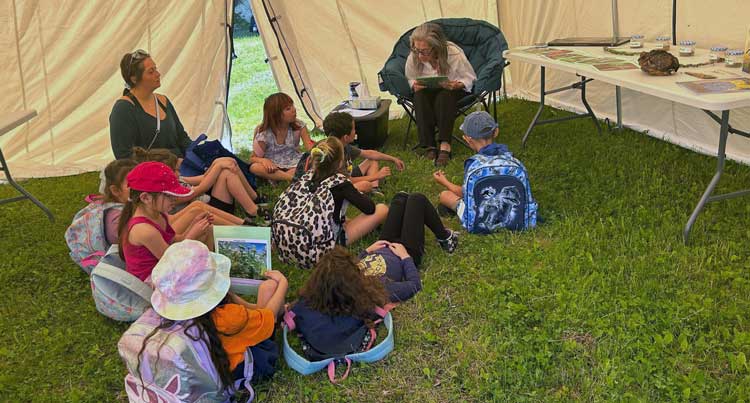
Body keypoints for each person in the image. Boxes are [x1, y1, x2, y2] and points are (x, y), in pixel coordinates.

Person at [141, 240, 287, 389]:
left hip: (201, 374)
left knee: (265, 291)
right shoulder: (229, 317)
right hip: (236, 371)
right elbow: (269, 315)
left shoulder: (166, 319)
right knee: (269, 290)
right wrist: (283, 283)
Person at [434, 111, 531, 231]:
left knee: (444, 195)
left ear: (468, 139)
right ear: (496, 132)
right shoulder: (513, 160)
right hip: (516, 219)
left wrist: (445, 182)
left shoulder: (473, 163)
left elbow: (464, 193)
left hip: (479, 219)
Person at [289, 246, 389, 359]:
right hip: (347, 345)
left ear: (316, 282)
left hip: (317, 348)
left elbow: (290, 313)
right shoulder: (361, 307)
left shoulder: (304, 307)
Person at [118, 161, 212, 282]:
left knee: (207, 230)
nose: (175, 199)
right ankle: (213, 284)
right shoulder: (144, 230)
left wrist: (194, 225)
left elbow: (175, 240)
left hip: (165, 268)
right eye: (169, 196)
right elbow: (172, 262)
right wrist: (192, 235)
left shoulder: (159, 214)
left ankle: (212, 277)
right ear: (145, 197)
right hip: (153, 282)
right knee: (202, 279)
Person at [357, 192, 459, 303]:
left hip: (383, 245)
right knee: (417, 199)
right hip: (406, 252)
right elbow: (414, 285)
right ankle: (445, 238)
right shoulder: (379, 290)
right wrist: (405, 257)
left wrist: (366, 250)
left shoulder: (346, 275)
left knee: (400, 197)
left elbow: (352, 263)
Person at [405, 23, 477, 167]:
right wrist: (414, 84)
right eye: (416, 49)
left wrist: (457, 84)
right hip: (427, 93)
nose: (419, 55)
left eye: (424, 51)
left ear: (436, 47)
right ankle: (430, 146)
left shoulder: (453, 53)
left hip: (452, 92)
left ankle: (445, 146)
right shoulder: (414, 56)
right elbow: (410, 77)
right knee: (419, 96)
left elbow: (470, 78)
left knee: (445, 95)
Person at [131, 147, 264, 219]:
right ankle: (253, 212)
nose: (179, 174)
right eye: (176, 170)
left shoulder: (176, 180)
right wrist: (218, 167)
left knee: (227, 163)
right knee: (226, 173)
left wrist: (219, 162)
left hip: (210, 204)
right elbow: (201, 187)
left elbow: (202, 177)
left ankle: (255, 199)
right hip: (213, 212)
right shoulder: (168, 195)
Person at [323, 111, 405, 195]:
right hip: (335, 189)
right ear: (346, 137)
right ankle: (370, 187)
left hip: (346, 178)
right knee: (365, 185)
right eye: (354, 129)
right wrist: (377, 175)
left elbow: (370, 154)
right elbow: (347, 181)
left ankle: (374, 189)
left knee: (372, 160)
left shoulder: (343, 145)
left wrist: (393, 159)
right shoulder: (334, 156)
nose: (355, 131)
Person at [249, 93, 315, 183]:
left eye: (292, 106)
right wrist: (264, 161)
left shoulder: (299, 126)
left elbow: (309, 146)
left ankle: (279, 177)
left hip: (294, 162)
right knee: (255, 168)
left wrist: (317, 150)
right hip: (273, 166)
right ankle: (290, 178)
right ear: (276, 115)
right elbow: (253, 158)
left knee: (310, 161)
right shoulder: (264, 135)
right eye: (288, 109)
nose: (294, 110)